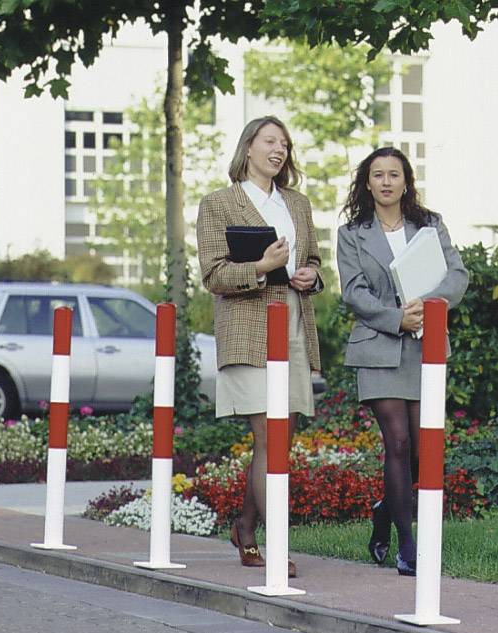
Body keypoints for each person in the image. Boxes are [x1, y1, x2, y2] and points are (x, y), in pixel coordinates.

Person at [197, 116, 323, 577]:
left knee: (281, 439)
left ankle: (244, 528)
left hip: (291, 321)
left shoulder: (298, 203)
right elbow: (212, 275)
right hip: (249, 327)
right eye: (270, 142)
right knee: (269, 437)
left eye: (285, 144)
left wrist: (310, 274)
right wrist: (261, 265)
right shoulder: (219, 203)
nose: (279, 150)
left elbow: (311, 259)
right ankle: (277, 543)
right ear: (248, 146)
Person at [337, 147, 468, 576]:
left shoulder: (429, 225)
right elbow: (354, 292)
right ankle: (408, 545)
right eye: (379, 175)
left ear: (407, 181)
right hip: (377, 345)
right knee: (396, 442)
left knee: (420, 449)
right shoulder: (352, 233)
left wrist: (427, 307)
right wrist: (397, 317)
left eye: (395, 174)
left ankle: (383, 512)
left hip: (424, 346)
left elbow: (457, 275)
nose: (387, 182)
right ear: (368, 183)